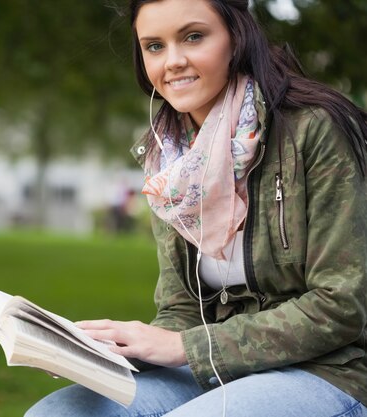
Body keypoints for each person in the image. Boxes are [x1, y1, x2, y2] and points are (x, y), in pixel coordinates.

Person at [25, 0, 367, 416]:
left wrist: (185, 346)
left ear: (236, 38)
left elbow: (342, 305)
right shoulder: (169, 160)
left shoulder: (313, 129)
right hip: (214, 371)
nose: (173, 61)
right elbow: (183, 309)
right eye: (154, 46)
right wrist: (111, 352)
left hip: (326, 371)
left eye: (193, 37)